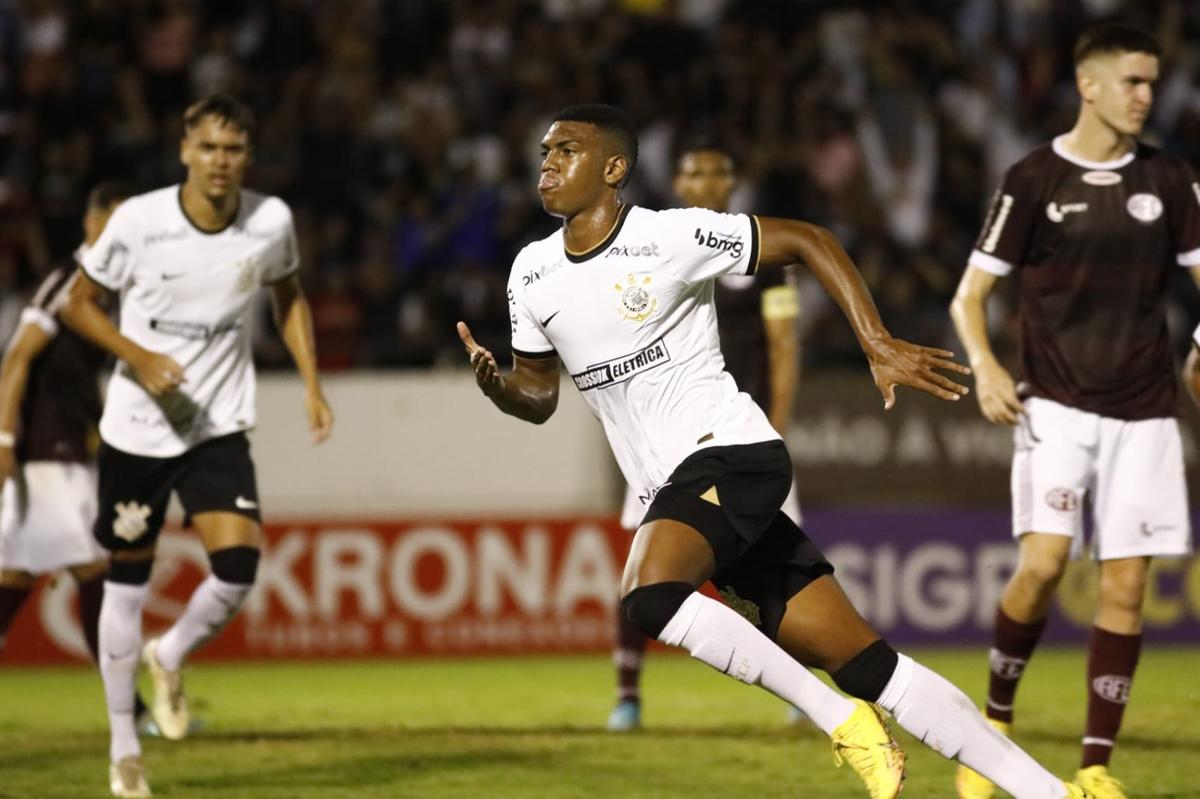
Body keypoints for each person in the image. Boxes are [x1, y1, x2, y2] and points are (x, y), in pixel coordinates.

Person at [460, 103, 1090, 799]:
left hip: (732, 450)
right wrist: (500, 389)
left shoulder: (671, 235)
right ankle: (1053, 793)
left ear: (614, 169)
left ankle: (838, 720)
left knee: (646, 593)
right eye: (546, 150)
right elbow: (540, 394)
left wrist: (875, 341)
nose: (547, 162)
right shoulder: (531, 273)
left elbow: (810, 239)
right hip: (677, 479)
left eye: (567, 150)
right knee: (869, 662)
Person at [949, 24, 1198, 799]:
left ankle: (1094, 768)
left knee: (1126, 590)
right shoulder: (1032, 179)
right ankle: (992, 727)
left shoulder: (1172, 178)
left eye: (1152, 82)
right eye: (1133, 81)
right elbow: (970, 296)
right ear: (1089, 85)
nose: (1147, 96)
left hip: (1148, 410)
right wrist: (987, 366)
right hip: (1054, 403)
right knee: (1045, 565)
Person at [61, 94, 334, 799]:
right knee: (128, 581)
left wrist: (311, 383)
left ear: (249, 155)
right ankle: (125, 748)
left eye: (234, 149)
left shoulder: (270, 221)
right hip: (136, 429)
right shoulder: (137, 222)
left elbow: (289, 294)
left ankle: (170, 650)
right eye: (208, 147)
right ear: (185, 149)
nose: (220, 162)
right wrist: (136, 355)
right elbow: (76, 304)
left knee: (239, 566)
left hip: (216, 421)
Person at [608, 139, 804, 732]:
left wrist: (778, 426)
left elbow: (784, 345)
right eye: (693, 171)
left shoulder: (762, 255)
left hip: (741, 435)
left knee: (777, 564)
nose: (705, 181)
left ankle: (801, 685)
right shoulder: (653, 251)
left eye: (717, 171)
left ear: (733, 182)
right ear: (679, 182)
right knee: (644, 562)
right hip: (669, 437)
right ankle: (627, 692)